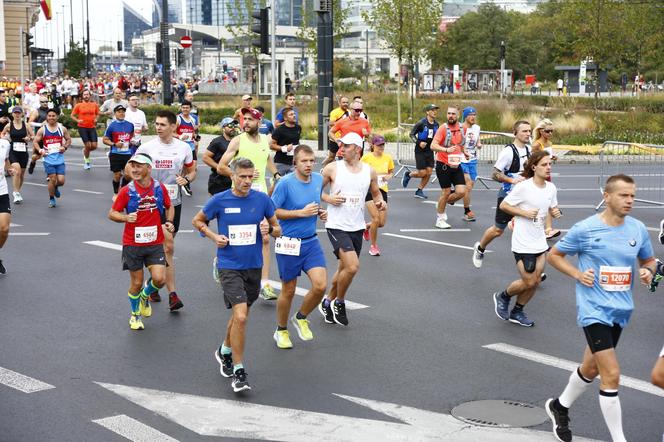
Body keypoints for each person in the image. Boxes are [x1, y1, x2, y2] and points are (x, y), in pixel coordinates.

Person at [544, 174, 656, 442]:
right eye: (623, 195)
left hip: (621, 309)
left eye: (632, 195)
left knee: (591, 369)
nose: (630, 200)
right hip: (594, 309)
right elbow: (554, 256)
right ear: (607, 197)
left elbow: (650, 260)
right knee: (612, 374)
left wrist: (648, 272)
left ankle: (559, 407)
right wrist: (577, 274)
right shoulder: (586, 229)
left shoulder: (638, 229)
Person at [193, 157, 281, 393]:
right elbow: (198, 221)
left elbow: (277, 229)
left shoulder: (262, 199)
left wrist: (269, 229)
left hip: (253, 265)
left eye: (250, 177)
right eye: (242, 176)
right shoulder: (220, 200)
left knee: (239, 314)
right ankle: (239, 371)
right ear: (232, 176)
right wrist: (214, 237)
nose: (246, 181)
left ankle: (224, 350)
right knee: (241, 316)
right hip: (228, 265)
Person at [319, 132, 385, 326]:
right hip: (335, 224)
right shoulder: (332, 168)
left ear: (357, 149)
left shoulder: (369, 171)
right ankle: (339, 302)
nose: (342, 149)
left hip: (356, 225)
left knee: (344, 269)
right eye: (341, 145)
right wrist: (328, 199)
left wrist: (381, 203)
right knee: (353, 266)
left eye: (346, 146)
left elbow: (376, 194)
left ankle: (327, 301)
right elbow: (314, 190)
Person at [132, 110, 196, 312]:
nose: (158, 127)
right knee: (167, 246)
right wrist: (142, 180)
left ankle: (154, 283)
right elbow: (131, 169)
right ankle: (173, 294)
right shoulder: (147, 147)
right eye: (156, 124)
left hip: (173, 203)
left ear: (173, 127)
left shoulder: (183, 147)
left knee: (165, 247)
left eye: (162, 124)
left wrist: (186, 179)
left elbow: (192, 171)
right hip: (151, 204)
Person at [217, 107, 281, 301]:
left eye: (250, 119)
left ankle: (265, 283)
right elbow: (221, 167)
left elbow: (267, 158)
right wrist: (238, 176)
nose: (245, 122)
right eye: (244, 119)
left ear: (259, 122)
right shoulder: (238, 141)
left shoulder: (265, 140)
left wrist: (276, 173)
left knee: (265, 237)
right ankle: (220, 261)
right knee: (236, 236)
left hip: (259, 194)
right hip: (239, 195)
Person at [493, 151, 560, 327]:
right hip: (522, 242)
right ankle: (503, 296)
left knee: (536, 281)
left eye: (550, 164)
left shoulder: (551, 188)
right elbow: (504, 205)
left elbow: (552, 207)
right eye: (544, 165)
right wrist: (524, 213)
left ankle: (518, 311)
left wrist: (556, 212)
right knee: (529, 281)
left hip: (539, 242)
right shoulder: (524, 187)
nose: (548, 168)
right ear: (534, 167)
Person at [270, 144, 327, 348]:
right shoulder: (285, 183)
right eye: (304, 161)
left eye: (312, 161)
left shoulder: (319, 180)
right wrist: (300, 213)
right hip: (288, 243)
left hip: (311, 241)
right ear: (295, 162)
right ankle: (281, 330)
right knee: (289, 290)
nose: (309, 165)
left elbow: (313, 203)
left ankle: (301, 317)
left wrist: (320, 212)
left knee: (320, 286)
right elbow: (273, 211)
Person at [108, 153, 173, 330]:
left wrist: (169, 222)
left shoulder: (159, 188)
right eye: (132, 166)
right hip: (133, 244)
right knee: (136, 283)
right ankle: (135, 315)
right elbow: (112, 213)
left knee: (160, 280)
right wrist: (125, 217)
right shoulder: (127, 191)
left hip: (154, 242)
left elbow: (169, 206)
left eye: (139, 166)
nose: (134, 170)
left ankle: (145, 296)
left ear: (149, 168)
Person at [472, 120, 532, 268]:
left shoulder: (530, 150)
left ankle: (532, 266)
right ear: (515, 133)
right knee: (498, 230)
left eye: (529, 131)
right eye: (524, 131)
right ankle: (480, 249)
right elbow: (495, 174)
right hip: (508, 197)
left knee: (528, 230)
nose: (528, 134)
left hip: (524, 198)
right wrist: (512, 180)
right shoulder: (508, 152)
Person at [430, 105, 466, 229]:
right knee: (445, 192)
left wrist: (464, 152)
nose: (451, 116)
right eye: (449, 113)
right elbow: (433, 145)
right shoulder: (442, 129)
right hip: (443, 164)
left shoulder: (462, 128)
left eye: (453, 114)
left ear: (458, 116)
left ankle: (442, 202)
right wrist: (446, 149)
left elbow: (461, 143)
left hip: (456, 164)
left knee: (461, 192)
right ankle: (440, 219)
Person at [361, 135, 393, 256]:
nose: (381, 147)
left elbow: (391, 172)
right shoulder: (366, 158)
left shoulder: (388, 158)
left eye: (383, 145)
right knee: (375, 218)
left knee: (381, 223)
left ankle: (366, 227)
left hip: (382, 191)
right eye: (379, 145)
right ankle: (373, 247)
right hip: (369, 190)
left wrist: (387, 177)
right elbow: (358, 171)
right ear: (373, 145)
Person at [32, 108, 71, 208]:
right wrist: (40, 150)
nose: (51, 117)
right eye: (49, 116)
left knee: (61, 181)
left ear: (57, 117)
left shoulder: (62, 129)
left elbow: (68, 139)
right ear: (47, 117)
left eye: (53, 116)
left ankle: (56, 187)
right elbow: (35, 141)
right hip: (48, 158)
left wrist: (64, 147)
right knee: (52, 178)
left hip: (59, 158)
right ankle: (51, 198)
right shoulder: (43, 129)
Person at [403, 104, 439, 199]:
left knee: (429, 172)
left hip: (430, 150)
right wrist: (419, 143)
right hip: (420, 151)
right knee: (423, 173)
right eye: (432, 110)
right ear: (427, 112)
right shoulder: (421, 123)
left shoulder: (436, 124)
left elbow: (437, 138)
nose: (435, 112)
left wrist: (437, 148)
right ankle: (408, 174)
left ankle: (419, 190)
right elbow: (411, 134)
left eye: (436, 110)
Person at [532, 118, 560, 239]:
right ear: (541, 131)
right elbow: (531, 160)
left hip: (547, 175)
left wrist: (552, 158)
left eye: (552, 131)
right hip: (538, 175)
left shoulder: (549, 144)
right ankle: (516, 220)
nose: (550, 134)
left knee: (548, 201)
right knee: (536, 201)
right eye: (548, 131)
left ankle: (548, 229)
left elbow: (546, 159)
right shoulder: (537, 144)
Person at [1, 106, 34, 204]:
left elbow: (33, 136)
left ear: (22, 114)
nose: (17, 114)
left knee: (22, 174)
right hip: (13, 151)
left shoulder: (26, 125)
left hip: (23, 151)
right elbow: (2, 134)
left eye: (19, 113)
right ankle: (15, 192)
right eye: (15, 113)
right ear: (12, 114)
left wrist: (29, 138)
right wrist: (6, 138)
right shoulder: (9, 125)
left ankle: (17, 191)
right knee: (17, 171)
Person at [103, 105, 135, 199]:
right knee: (117, 175)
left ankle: (122, 190)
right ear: (115, 113)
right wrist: (114, 144)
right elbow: (105, 140)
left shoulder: (130, 125)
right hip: (115, 154)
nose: (121, 113)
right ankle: (116, 193)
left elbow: (131, 137)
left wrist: (131, 143)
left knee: (128, 175)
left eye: (123, 112)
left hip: (127, 154)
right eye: (119, 111)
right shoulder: (111, 126)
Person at [203, 117, 236, 196]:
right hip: (218, 181)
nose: (233, 128)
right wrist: (219, 167)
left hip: (231, 179)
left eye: (234, 125)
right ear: (223, 128)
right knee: (217, 206)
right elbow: (205, 157)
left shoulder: (235, 141)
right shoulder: (217, 141)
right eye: (230, 126)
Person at [460, 106, 482, 221]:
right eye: (470, 115)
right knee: (468, 183)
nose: (473, 117)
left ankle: (452, 197)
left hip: (472, 159)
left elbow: (477, 138)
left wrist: (479, 143)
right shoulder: (460, 128)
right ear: (465, 116)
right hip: (461, 159)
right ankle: (467, 211)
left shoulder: (477, 128)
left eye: (474, 115)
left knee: (469, 187)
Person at [175, 100, 200, 196]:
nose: (185, 109)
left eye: (187, 108)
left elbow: (192, 132)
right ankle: (178, 186)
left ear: (190, 109)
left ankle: (185, 183)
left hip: (190, 147)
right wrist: (179, 137)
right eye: (183, 107)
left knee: (192, 168)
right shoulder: (178, 119)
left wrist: (195, 137)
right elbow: (172, 132)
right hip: (180, 147)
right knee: (181, 169)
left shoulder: (193, 120)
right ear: (181, 108)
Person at [71, 89, 100, 170]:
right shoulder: (78, 105)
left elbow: (98, 114)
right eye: (85, 95)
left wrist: (96, 119)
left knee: (94, 146)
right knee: (88, 145)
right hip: (82, 127)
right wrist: (77, 120)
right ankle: (87, 161)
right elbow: (72, 115)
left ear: (90, 96)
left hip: (92, 127)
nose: (86, 96)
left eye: (87, 94)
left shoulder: (94, 105)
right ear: (82, 96)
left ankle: (85, 150)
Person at [270, 107, 302, 176]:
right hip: (281, 162)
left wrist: (299, 149)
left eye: (294, 114)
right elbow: (271, 145)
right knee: (277, 184)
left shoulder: (298, 127)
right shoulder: (279, 130)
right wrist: (284, 148)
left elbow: (297, 141)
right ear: (285, 118)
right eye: (291, 114)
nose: (294, 116)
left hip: (294, 162)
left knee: (292, 184)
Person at [322, 96, 350, 167]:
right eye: (343, 102)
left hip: (345, 139)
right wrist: (342, 123)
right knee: (331, 157)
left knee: (345, 157)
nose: (345, 104)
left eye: (347, 102)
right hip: (335, 138)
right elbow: (331, 123)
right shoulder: (335, 112)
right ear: (339, 103)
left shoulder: (349, 112)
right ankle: (323, 167)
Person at [26, 96, 50, 174]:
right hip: (40, 137)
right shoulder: (36, 111)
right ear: (40, 103)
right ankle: (32, 163)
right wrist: (40, 124)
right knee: (35, 156)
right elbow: (29, 122)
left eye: (46, 101)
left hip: (50, 137)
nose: (45, 103)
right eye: (43, 102)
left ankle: (49, 173)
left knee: (49, 155)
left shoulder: (51, 111)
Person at [0, 138, 14, 274]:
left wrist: (9, 169)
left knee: (4, 229)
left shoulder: (5, 144)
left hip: (1, 191)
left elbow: (6, 160)